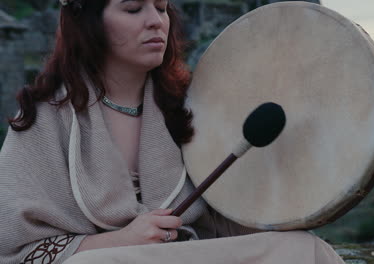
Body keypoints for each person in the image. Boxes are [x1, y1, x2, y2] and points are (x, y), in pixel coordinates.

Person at [0, 0, 345, 263]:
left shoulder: (188, 107)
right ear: (89, 23)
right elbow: (17, 251)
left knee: (303, 249)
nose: (155, 21)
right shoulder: (44, 115)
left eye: (162, 8)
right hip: (108, 260)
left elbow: (226, 221)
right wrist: (123, 240)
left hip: (186, 254)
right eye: (133, 8)